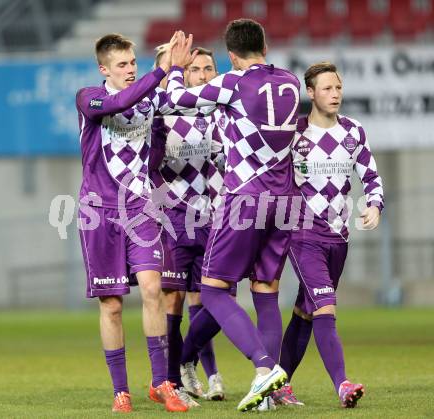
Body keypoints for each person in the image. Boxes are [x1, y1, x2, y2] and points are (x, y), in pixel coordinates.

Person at [166, 20, 300, 412]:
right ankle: (270, 393)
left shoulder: (234, 82)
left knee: (212, 290)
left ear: (231, 57)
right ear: (266, 45)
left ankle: (263, 369)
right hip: (285, 200)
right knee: (266, 294)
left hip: (246, 198)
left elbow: (177, 99)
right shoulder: (290, 80)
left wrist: (175, 68)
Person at [75, 33, 189, 413]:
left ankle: (162, 383)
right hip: (98, 212)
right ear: (104, 68)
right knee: (111, 305)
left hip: (139, 208)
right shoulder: (90, 97)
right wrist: (159, 72)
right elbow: (122, 101)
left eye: (132, 64)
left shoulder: (150, 96)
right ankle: (120, 391)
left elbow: (160, 134)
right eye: (121, 65)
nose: (128, 70)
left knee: (153, 289)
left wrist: (176, 71)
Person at [275, 61, 384, 408]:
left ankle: (278, 383)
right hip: (303, 234)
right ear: (310, 93)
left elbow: (371, 176)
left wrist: (375, 205)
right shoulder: (294, 133)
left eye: (338, 87)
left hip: (339, 238)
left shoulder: (353, 131)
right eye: (326, 88)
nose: (335, 94)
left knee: (306, 312)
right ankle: (343, 385)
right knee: (325, 307)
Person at [151, 45, 226, 404]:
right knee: (174, 302)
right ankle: (174, 381)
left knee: (214, 301)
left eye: (208, 68)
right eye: (194, 69)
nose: (202, 75)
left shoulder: (221, 115)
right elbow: (147, 169)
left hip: (215, 218)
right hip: (172, 221)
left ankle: (189, 366)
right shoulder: (161, 116)